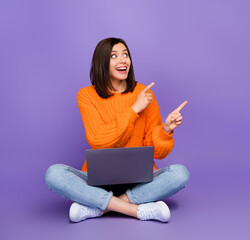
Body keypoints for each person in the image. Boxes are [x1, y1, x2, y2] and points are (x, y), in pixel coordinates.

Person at [45, 37, 189, 223]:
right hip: (98, 182)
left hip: (140, 181)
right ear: (102, 62)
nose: (123, 60)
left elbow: (156, 151)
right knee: (54, 174)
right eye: (114, 56)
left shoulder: (144, 93)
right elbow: (98, 139)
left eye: (125, 55)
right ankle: (136, 210)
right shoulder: (86, 95)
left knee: (180, 174)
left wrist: (166, 130)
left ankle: (99, 208)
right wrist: (134, 110)